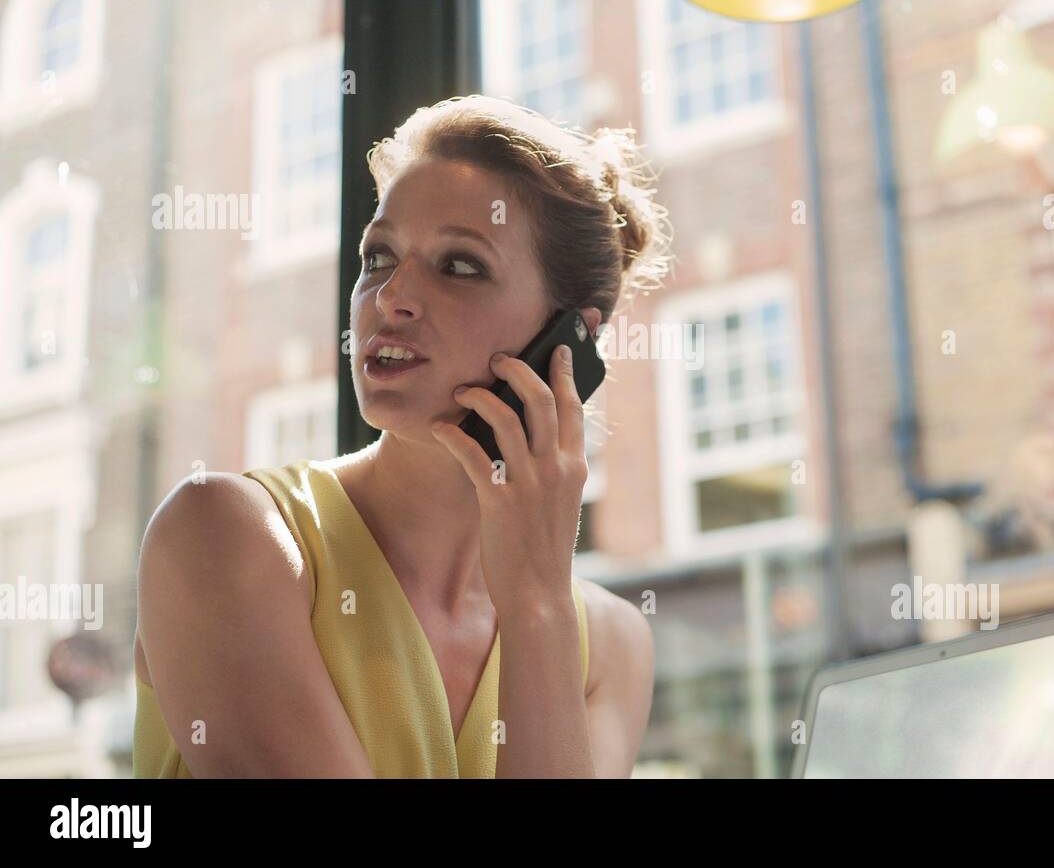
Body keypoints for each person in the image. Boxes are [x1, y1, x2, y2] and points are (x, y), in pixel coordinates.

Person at [133, 95, 671, 777]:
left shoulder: (613, 646)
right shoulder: (223, 535)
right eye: (378, 256)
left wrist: (537, 607)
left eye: (459, 266)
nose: (390, 298)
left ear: (569, 340)